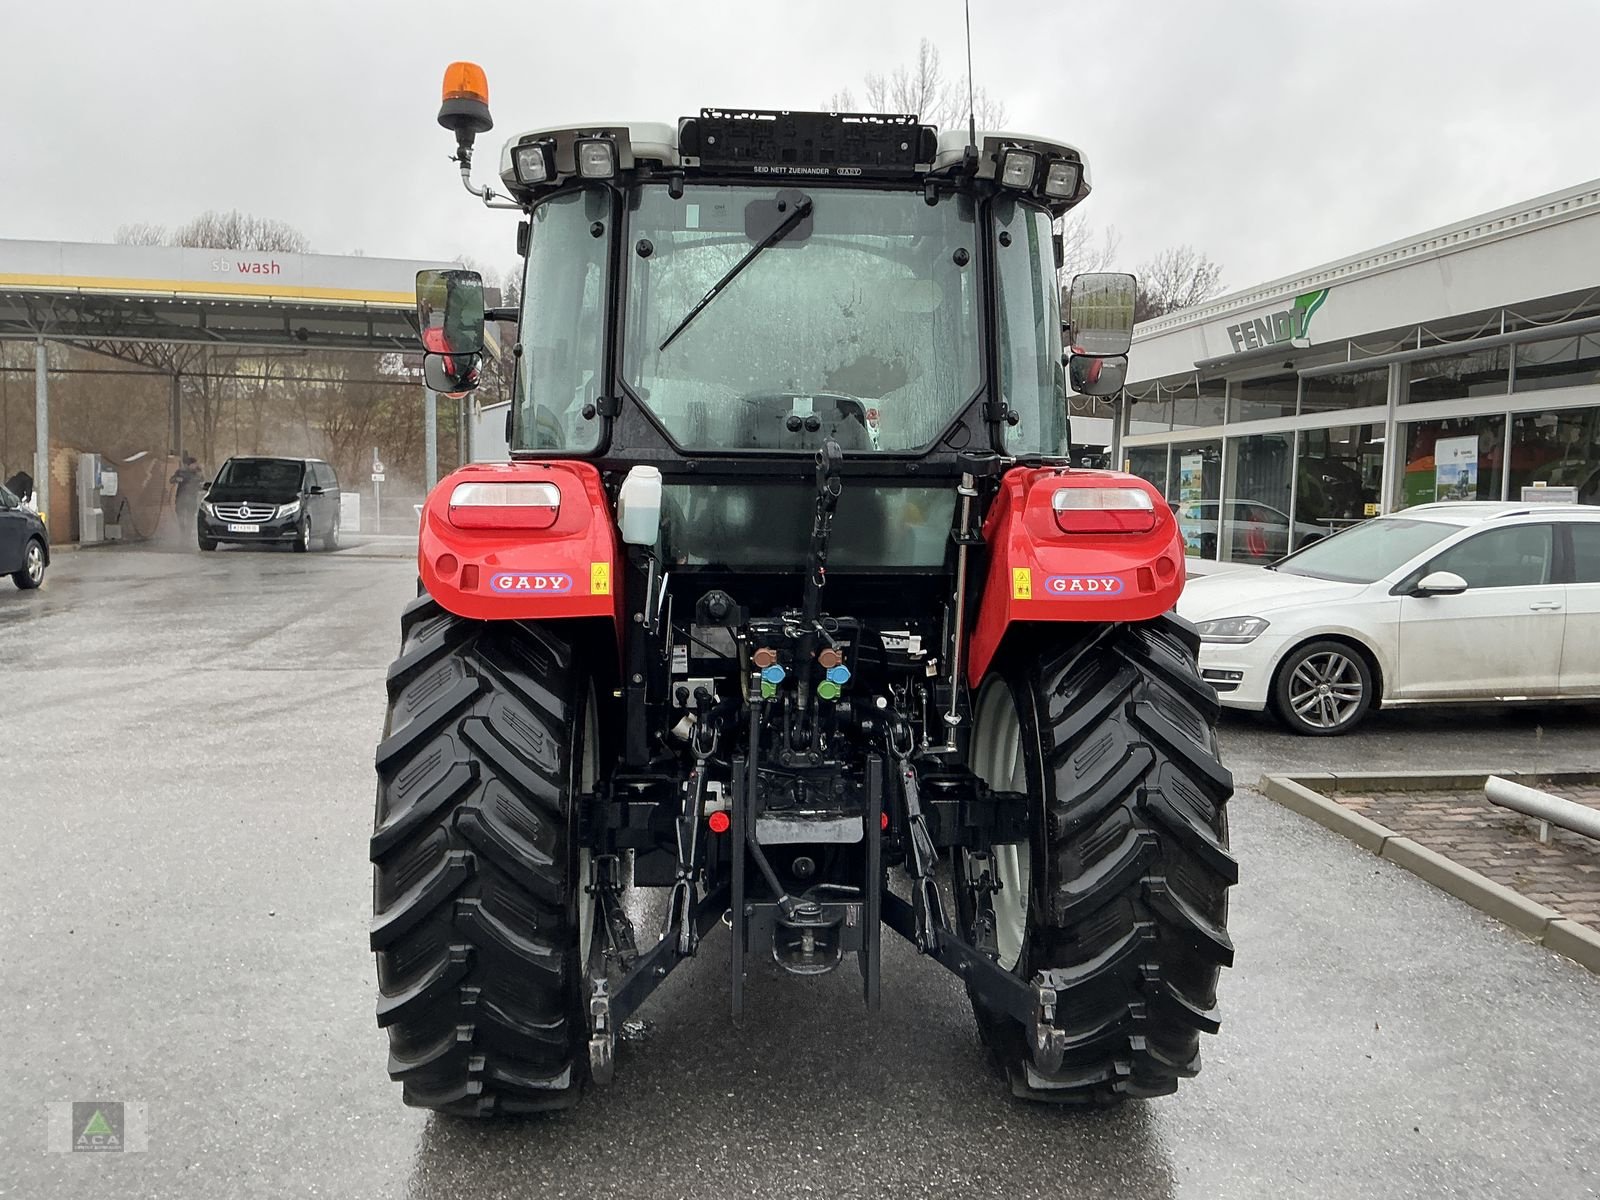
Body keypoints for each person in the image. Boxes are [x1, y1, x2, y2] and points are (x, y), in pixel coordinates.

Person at [171, 456, 203, 525]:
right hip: (181, 497)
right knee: (180, 515)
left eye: (195, 464)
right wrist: (177, 479)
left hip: (192, 498)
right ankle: (182, 529)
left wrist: (200, 486)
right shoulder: (181, 472)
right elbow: (171, 480)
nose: (195, 465)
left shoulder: (198, 472)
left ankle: (188, 533)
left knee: (190, 517)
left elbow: (202, 482)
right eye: (194, 464)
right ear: (188, 465)